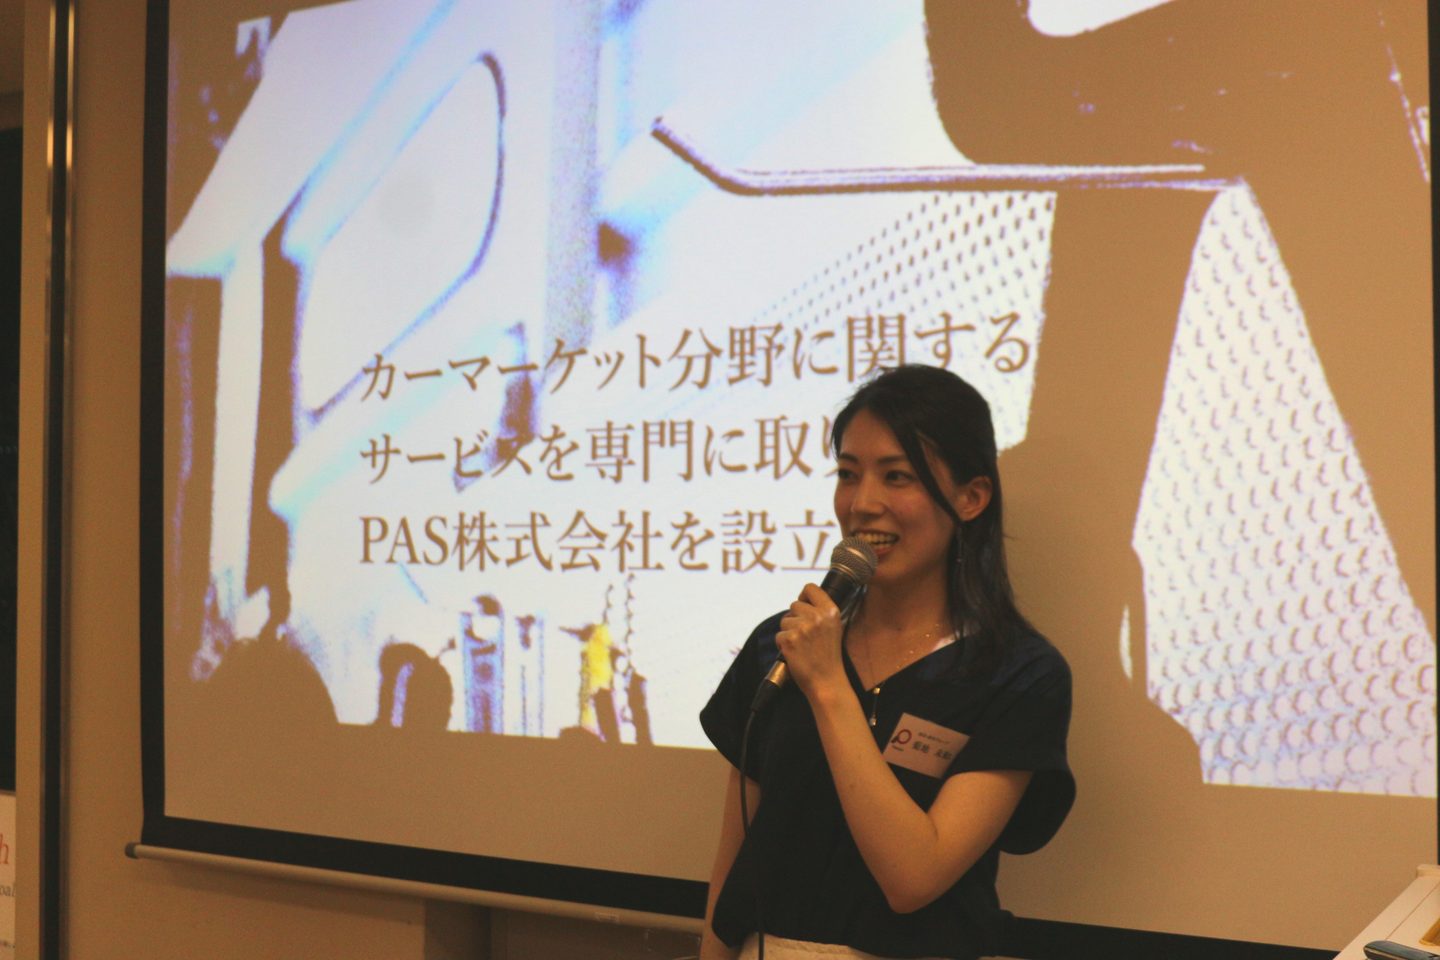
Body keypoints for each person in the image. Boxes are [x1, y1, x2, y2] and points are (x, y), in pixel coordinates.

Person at [699, 365, 1075, 960]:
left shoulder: (1018, 675)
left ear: (972, 498)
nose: (862, 504)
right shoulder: (782, 644)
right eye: (848, 475)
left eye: (897, 477)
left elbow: (913, 878)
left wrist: (828, 686)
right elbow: (733, 862)